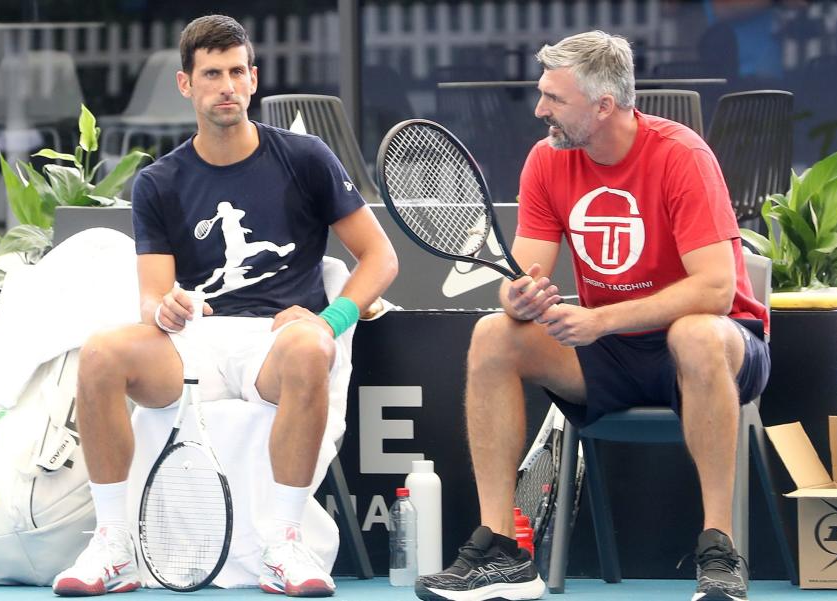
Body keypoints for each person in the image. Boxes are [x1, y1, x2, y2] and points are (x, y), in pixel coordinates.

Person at [52, 14, 398, 597]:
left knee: (314, 344)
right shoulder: (159, 182)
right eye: (212, 74)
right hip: (197, 346)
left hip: (280, 342)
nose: (227, 86)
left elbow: (381, 259)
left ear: (254, 79)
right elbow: (152, 296)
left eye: (237, 72)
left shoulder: (306, 157)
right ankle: (113, 545)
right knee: (100, 355)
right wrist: (167, 309)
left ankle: (282, 546)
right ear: (186, 85)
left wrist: (331, 317)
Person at [414, 31, 769, 601]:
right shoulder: (545, 161)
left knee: (696, 333)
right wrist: (520, 299)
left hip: (719, 348)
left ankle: (719, 550)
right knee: (494, 334)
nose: (540, 110)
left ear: (603, 105)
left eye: (554, 98)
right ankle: (503, 552)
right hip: (615, 350)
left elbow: (717, 290)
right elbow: (524, 275)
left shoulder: (682, 155)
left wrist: (602, 320)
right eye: (541, 94)